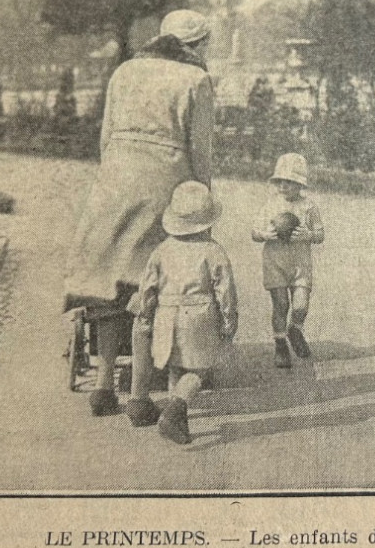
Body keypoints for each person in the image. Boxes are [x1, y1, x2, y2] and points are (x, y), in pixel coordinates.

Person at [64, 9, 215, 417]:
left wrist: (113, 176)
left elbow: (106, 135)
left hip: (116, 177)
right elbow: (200, 150)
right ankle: (139, 397)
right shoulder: (197, 80)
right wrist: (202, 198)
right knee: (150, 289)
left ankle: (102, 385)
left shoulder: (126, 71)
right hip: (164, 183)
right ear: (197, 45)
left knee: (110, 281)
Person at [126, 181, 238, 443]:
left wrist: (144, 315)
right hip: (199, 316)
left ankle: (177, 416)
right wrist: (229, 319)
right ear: (207, 221)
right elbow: (225, 290)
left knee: (176, 365)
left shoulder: (162, 249)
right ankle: (175, 410)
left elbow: (147, 288)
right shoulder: (213, 251)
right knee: (199, 370)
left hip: (166, 315)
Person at [251, 152, 324, 369]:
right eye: (280, 181)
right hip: (275, 261)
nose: (284, 186)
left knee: (301, 306)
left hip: (300, 264)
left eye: (290, 182)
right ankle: (280, 343)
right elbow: (254, 232)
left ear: (300, 184)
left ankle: (296, 329)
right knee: (281, 304)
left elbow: (320, 235)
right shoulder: (270, 205)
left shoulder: (309, 207)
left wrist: (308, 235)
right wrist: (264, 234)